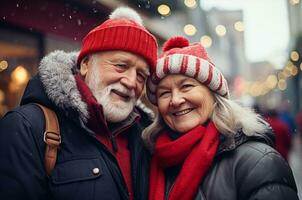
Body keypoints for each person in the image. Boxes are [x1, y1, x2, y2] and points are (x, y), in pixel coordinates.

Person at [0, 7, 157, 200]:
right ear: (85, 65)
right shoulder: (27, 126)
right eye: (120, 66)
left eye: (141, 75)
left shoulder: (146, 136)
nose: (131, 81)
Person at [143, 36, 299, 200]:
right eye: (165, 93)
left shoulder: (258, 162)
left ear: (214, 95)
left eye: (186, 86)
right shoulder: (149, 160)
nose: (175, 100)